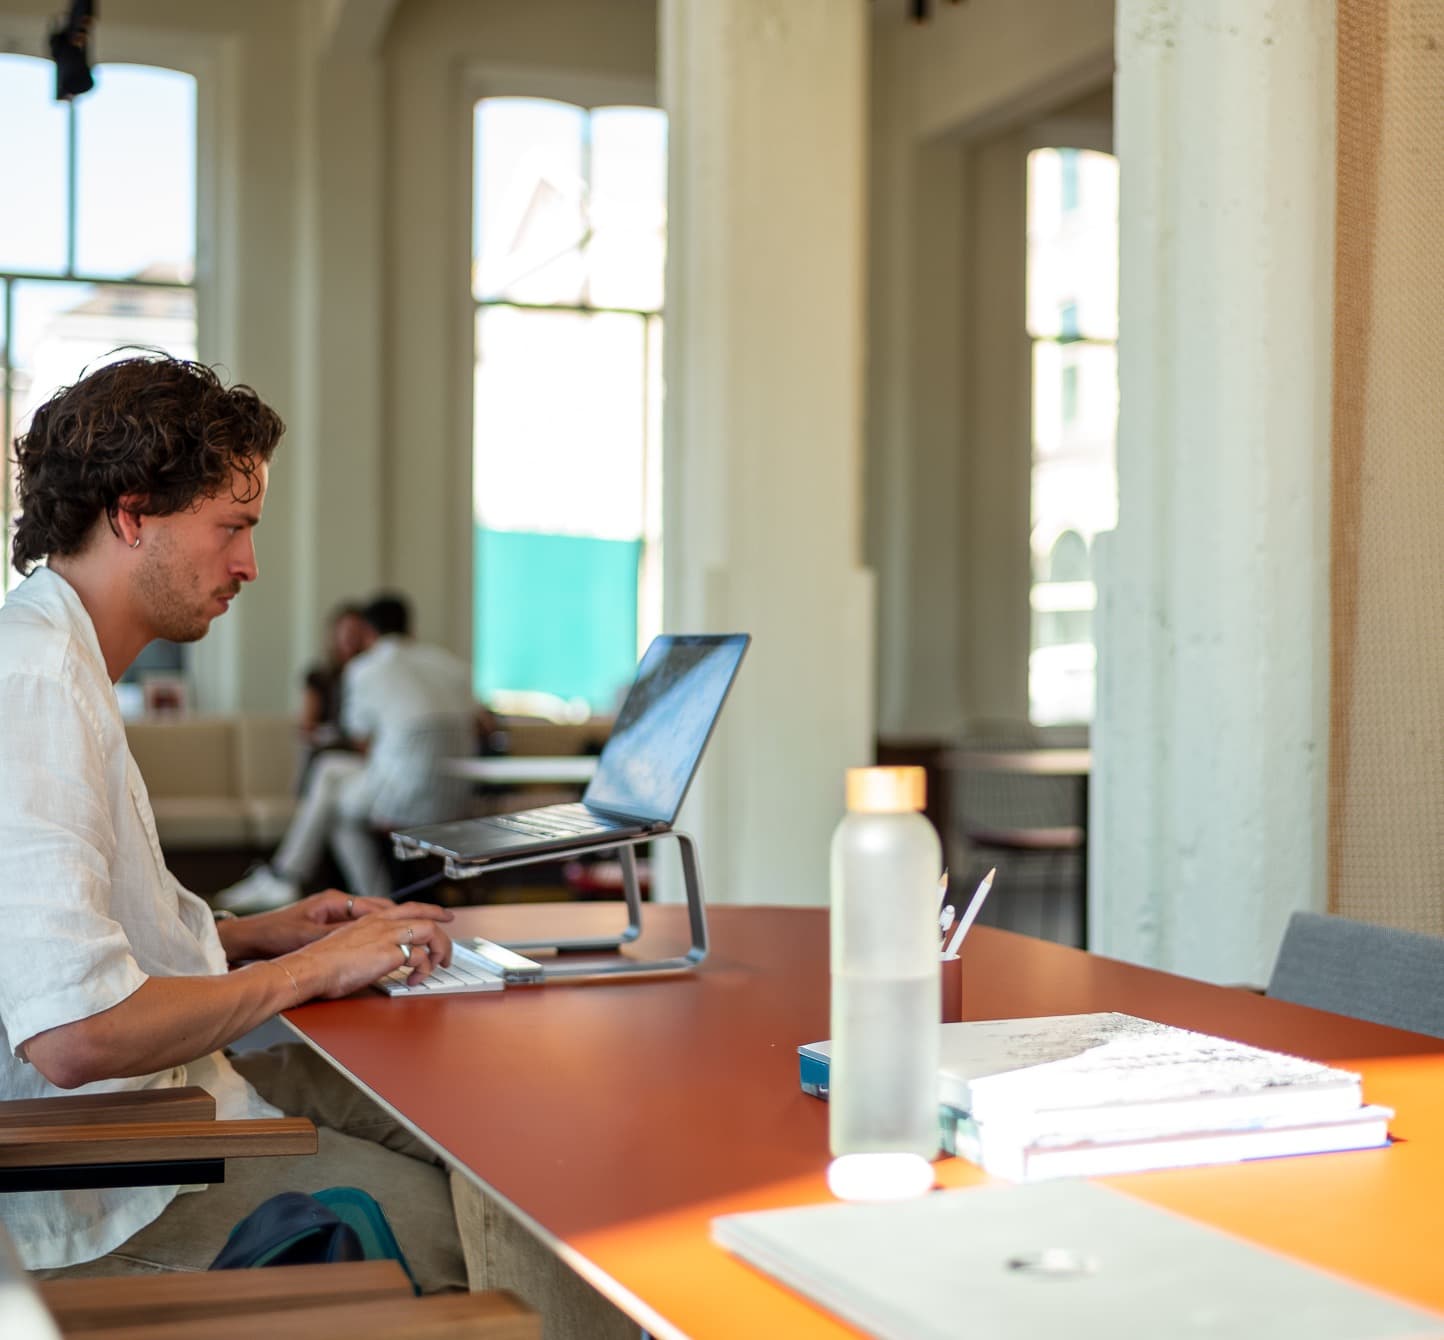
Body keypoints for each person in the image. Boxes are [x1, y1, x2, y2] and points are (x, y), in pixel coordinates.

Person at [0, 355, 465, 1289]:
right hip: (104, 1185)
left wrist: (255, 936)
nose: (249, 565)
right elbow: (75, 1033)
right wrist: (311, 970)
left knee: (467, 1138)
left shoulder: (63, 658)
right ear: (132, 516)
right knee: (484, 1239)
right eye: (234, 528)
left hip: (168, 1105)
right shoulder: (36, 683)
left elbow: (63, 944)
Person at [216, 591, 477, 911]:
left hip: (401, 796)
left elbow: (362, 742)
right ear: (411, 627)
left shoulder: (366, 669)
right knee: (335, 790)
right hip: (454, 796)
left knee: (331, 787)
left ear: (369, 631)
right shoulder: (451, 666)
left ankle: (293, 879)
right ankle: (371, 902)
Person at [297, 600, 370, 787]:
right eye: (346, 631)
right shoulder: (319, 676)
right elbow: (307, 726)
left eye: (356, 632)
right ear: (335, 634)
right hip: (329, 749)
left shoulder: (372, 675)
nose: (350, 637)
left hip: (362, 753)